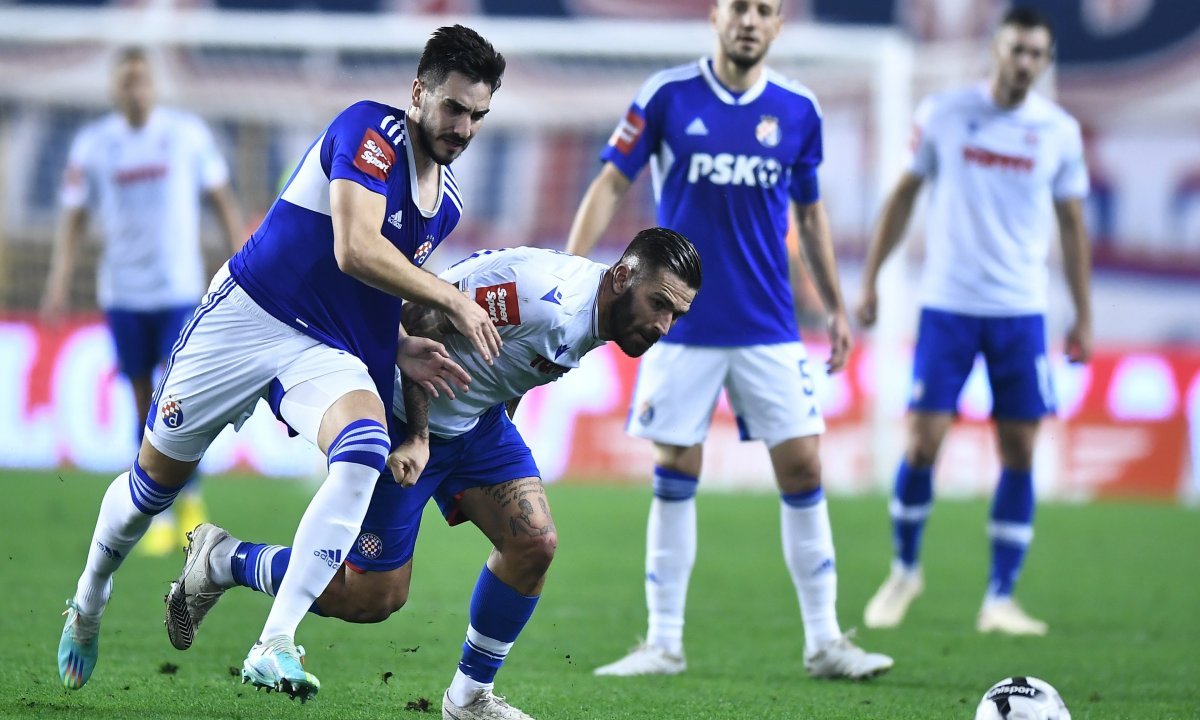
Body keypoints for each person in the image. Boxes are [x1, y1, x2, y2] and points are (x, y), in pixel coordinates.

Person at [56, 25, 506, 700]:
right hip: (247, 319)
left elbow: (375, 288)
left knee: (361, 450)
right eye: (454, 108)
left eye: (478, 115)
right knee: (149, 491)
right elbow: (355, 248)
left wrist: (399, 347)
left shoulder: (446, 203)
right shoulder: (369, 131)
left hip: (321, 349)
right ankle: (90, 598)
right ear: (419, 93)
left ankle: (275, 644)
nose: (464, 127)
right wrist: (451, 299)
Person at [163, 229, 703, 720]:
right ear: (621, 277)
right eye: (659, 304)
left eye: (676, 316)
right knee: (370, 599)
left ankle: (467, 701)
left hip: (475, 421)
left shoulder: (593, 320)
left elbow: (511, 360)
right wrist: (419, 437)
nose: (662, 326)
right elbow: (418, 319)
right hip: (404, 415)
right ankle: (223, 560)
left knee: (534, 544)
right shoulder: (544, 297)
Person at [565, 0, 892, 680]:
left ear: (778, 25)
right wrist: (570, 270)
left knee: (803, 468)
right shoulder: (667, 95)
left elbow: (811, 212)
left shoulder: (799, 109)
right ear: (716, 15)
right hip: (676, 324)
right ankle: (662, 644)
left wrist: (833, 304)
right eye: (740, 6)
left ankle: (826, 641)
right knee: (675, 471)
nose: (750, 20)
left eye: (765, 10)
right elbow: (610, 182)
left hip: (769, 324)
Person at [856, 7, 1092, 636]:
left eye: (1036, 54)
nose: (1025, 63)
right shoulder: (944, 114)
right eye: (1016, 50)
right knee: (921, 442)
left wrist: (1082, 317)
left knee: (1020, 451)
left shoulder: (1058, 132)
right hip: (949, 307)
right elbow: (903, 195)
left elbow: (1072, 225)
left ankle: (1001, 597)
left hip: (1020, 313)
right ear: (995, 49)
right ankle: (904, 570)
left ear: (1045, 62)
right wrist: (873, 278)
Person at [40, 47, 245, 557]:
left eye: (142, 82)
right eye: (126, 83)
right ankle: (154, 511)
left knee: (177, 398)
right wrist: (58, 280)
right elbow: (72, 219)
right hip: (123, 292)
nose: (135, 91)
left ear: (153, 87)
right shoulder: (94, 146)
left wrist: (244, 261)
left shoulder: (186, 136)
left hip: (177, 288)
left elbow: (221, 198)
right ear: (115, 90)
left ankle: (190, 501)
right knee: (140, 398)